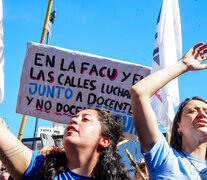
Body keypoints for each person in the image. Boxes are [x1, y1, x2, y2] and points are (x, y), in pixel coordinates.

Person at [131, 42, 207, 179]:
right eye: (192, 111)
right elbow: (139, 92)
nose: (202, 113)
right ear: (178, 126)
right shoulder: (164, 157)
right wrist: (183, 65)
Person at [0, 108, 130, 180]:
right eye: (74, 117)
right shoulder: (39, 168)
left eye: (85, 119)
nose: (73, 119)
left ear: (104, 140)